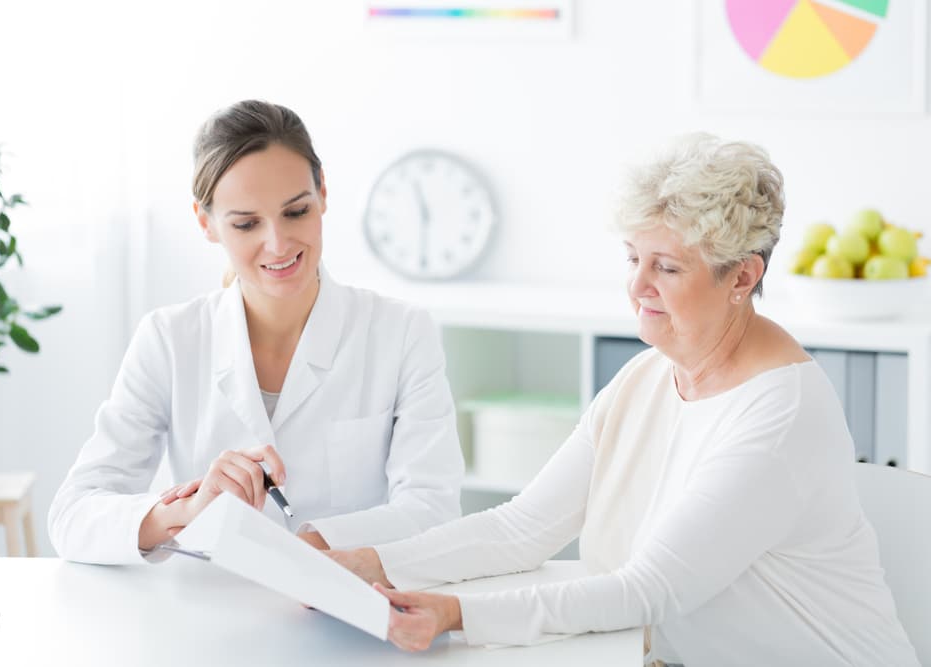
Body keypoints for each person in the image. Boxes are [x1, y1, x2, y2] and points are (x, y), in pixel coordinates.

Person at [328, 134, 919, 664]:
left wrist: (457, 616)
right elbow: (523, 526)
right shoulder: (649, 375)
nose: (637, 287)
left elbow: (648, 590)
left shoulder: (780, 413)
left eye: (666, 268)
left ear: (741, 278)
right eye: (634, 258)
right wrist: (369, 562)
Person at [48, 100, 465, 564]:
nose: (278, 243)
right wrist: (189, 509)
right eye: (246, 223)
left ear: (322, 192)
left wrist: (300, 553)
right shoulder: (169, 339)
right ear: (206, 222)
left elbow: (434, 510)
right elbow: (73, 516)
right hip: (204, 615)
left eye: (296, 212)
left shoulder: (401, 332)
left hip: (344, 609)